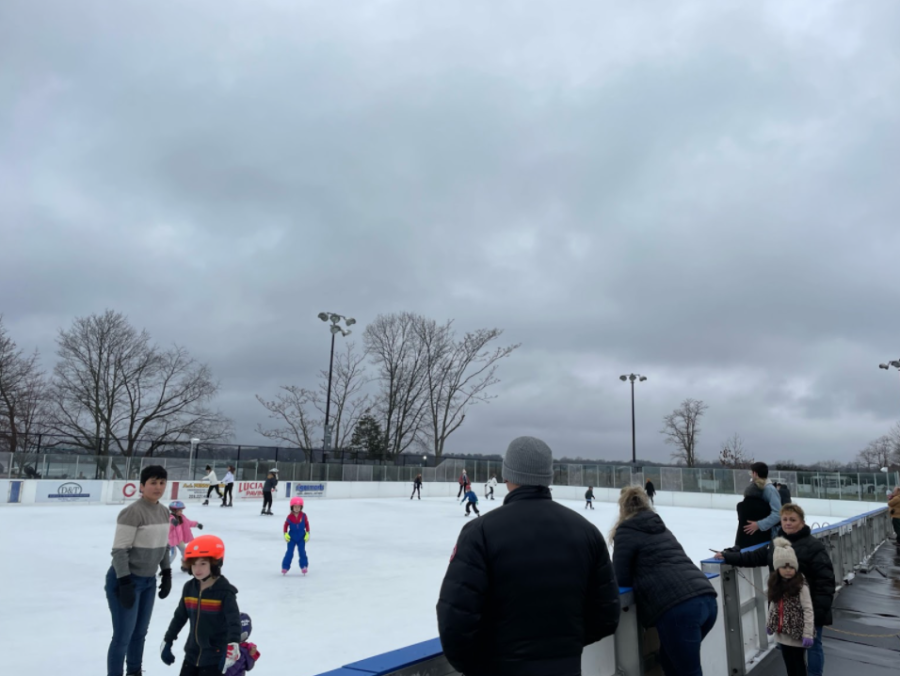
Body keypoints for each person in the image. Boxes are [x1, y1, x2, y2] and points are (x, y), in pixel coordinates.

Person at [437, 436, 620, 676]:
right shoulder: (588, 532)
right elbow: (606, 614)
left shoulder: (480, 532)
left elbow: (455, 622)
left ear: (506, 476)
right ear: (548, 477)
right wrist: (560, 650)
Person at [714, 503, 835, 676]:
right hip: (784, 609)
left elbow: (826, 580)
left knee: (813, 646)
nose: (788, 523)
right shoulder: (776, 543)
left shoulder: (813, 546)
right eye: (784, 519)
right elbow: (754, 557)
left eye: (792, 520)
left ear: (802, 521)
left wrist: (817, 611)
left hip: (809, 607)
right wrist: (728, 556)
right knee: (789, 651)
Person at [610, 486, 718, 676]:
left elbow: (621, 577)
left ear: (622, 508)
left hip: (679, 609)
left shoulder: (626, 531)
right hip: (707, 599)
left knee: (687, 671)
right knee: (669, 662)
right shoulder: (660, 527)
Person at [106, 465, 172, 676]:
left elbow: (164, 546)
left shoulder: (164, 511)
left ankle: (134, 672)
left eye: (162, 483)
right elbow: (119, 551)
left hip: (148, 581)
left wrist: (167, 572)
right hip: (126, 580)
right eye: (153, 483)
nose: (158, 487)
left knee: (140, 633)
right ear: (142, 486)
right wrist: (124, 582)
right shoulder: (132, 512)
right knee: (123, 636)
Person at [160, 535, 242, 675]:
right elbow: (180, 617)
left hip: (215, 657)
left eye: (203, 563)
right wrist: (168, 640)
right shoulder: (189, 588)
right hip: (191, 655)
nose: (197, 569)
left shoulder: (224, 592)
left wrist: (232, 645)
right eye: (193, 564)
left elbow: (233, 622)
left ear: (215, 564)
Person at [765, 538, 815, 676]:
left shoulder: (800, 585)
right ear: (777, 568)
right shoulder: (776, 585)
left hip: (797, 634)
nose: (788, 571)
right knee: (789, 665)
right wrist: (770, 624)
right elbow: (773, 605)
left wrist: (808, 634)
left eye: (791, 567)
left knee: (799, 665)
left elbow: (808, 609)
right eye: (784, 567)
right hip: (782, 634)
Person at [733, 462, 781, 549]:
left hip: (770, 535)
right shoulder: (757, 488)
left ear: (755, 473)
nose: (751, 475)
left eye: (751, 473)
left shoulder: (769, 489)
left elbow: (778, 513)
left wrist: (759, 525)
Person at [167, 500, 203, 566]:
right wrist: (173, 522)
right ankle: (165, 568)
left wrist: (197, 524)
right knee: (173, 554)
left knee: (185, 552)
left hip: (180, 540)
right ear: (174, 510)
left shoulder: (182, 517)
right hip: (171, 540)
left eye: (181, 510)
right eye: (180, 510)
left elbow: (188, 523)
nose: (181, 512)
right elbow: (168, 525)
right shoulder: (170, 518)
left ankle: (184, 565)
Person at [282, 496, 310, 575]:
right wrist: (285, 533)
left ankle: (304, 566)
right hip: (292, 537)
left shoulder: (304, 516)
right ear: (292, 507)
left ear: (301, 507)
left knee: (302, 552)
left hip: (301, 537)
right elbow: (285, 525)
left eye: (298, 507)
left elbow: (307, 524)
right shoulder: (290, 516)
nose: (297, 508)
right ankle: (285, 567)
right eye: (295, 507)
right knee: (289, 552)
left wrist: (308, 533)